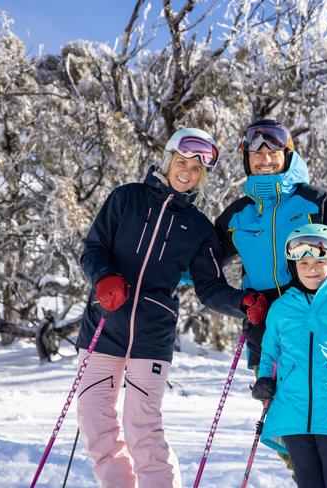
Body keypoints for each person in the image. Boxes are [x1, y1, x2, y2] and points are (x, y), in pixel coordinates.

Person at [75, 128, 268, 488]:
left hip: (152, 336)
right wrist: (103, 277)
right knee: (94, 421)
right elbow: (93, 249)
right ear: (168, 160)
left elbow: (209, 286)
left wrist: (242, 303)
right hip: (104, 326)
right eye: (183, 162)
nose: (188, 172)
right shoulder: (126, 199)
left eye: (197, 169)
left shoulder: (197, 228)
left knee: (141, 427)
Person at [215, 119, 327, 372]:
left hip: (318, 320)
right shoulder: (237, 215)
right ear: (247, 159)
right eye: (257, 153)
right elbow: (200, 265)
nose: (265, 159)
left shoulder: (317, 202)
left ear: (287, 155)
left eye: (273, 152)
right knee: (276, 406)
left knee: (321, 397)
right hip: (264, 326)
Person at [251, 224, 327, 488]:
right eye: (303, 263)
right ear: (293, 267)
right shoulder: (282, 308)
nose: (311, 268)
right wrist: (264, 380)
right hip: (292, 411)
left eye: (319, 261)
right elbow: (271, 352)